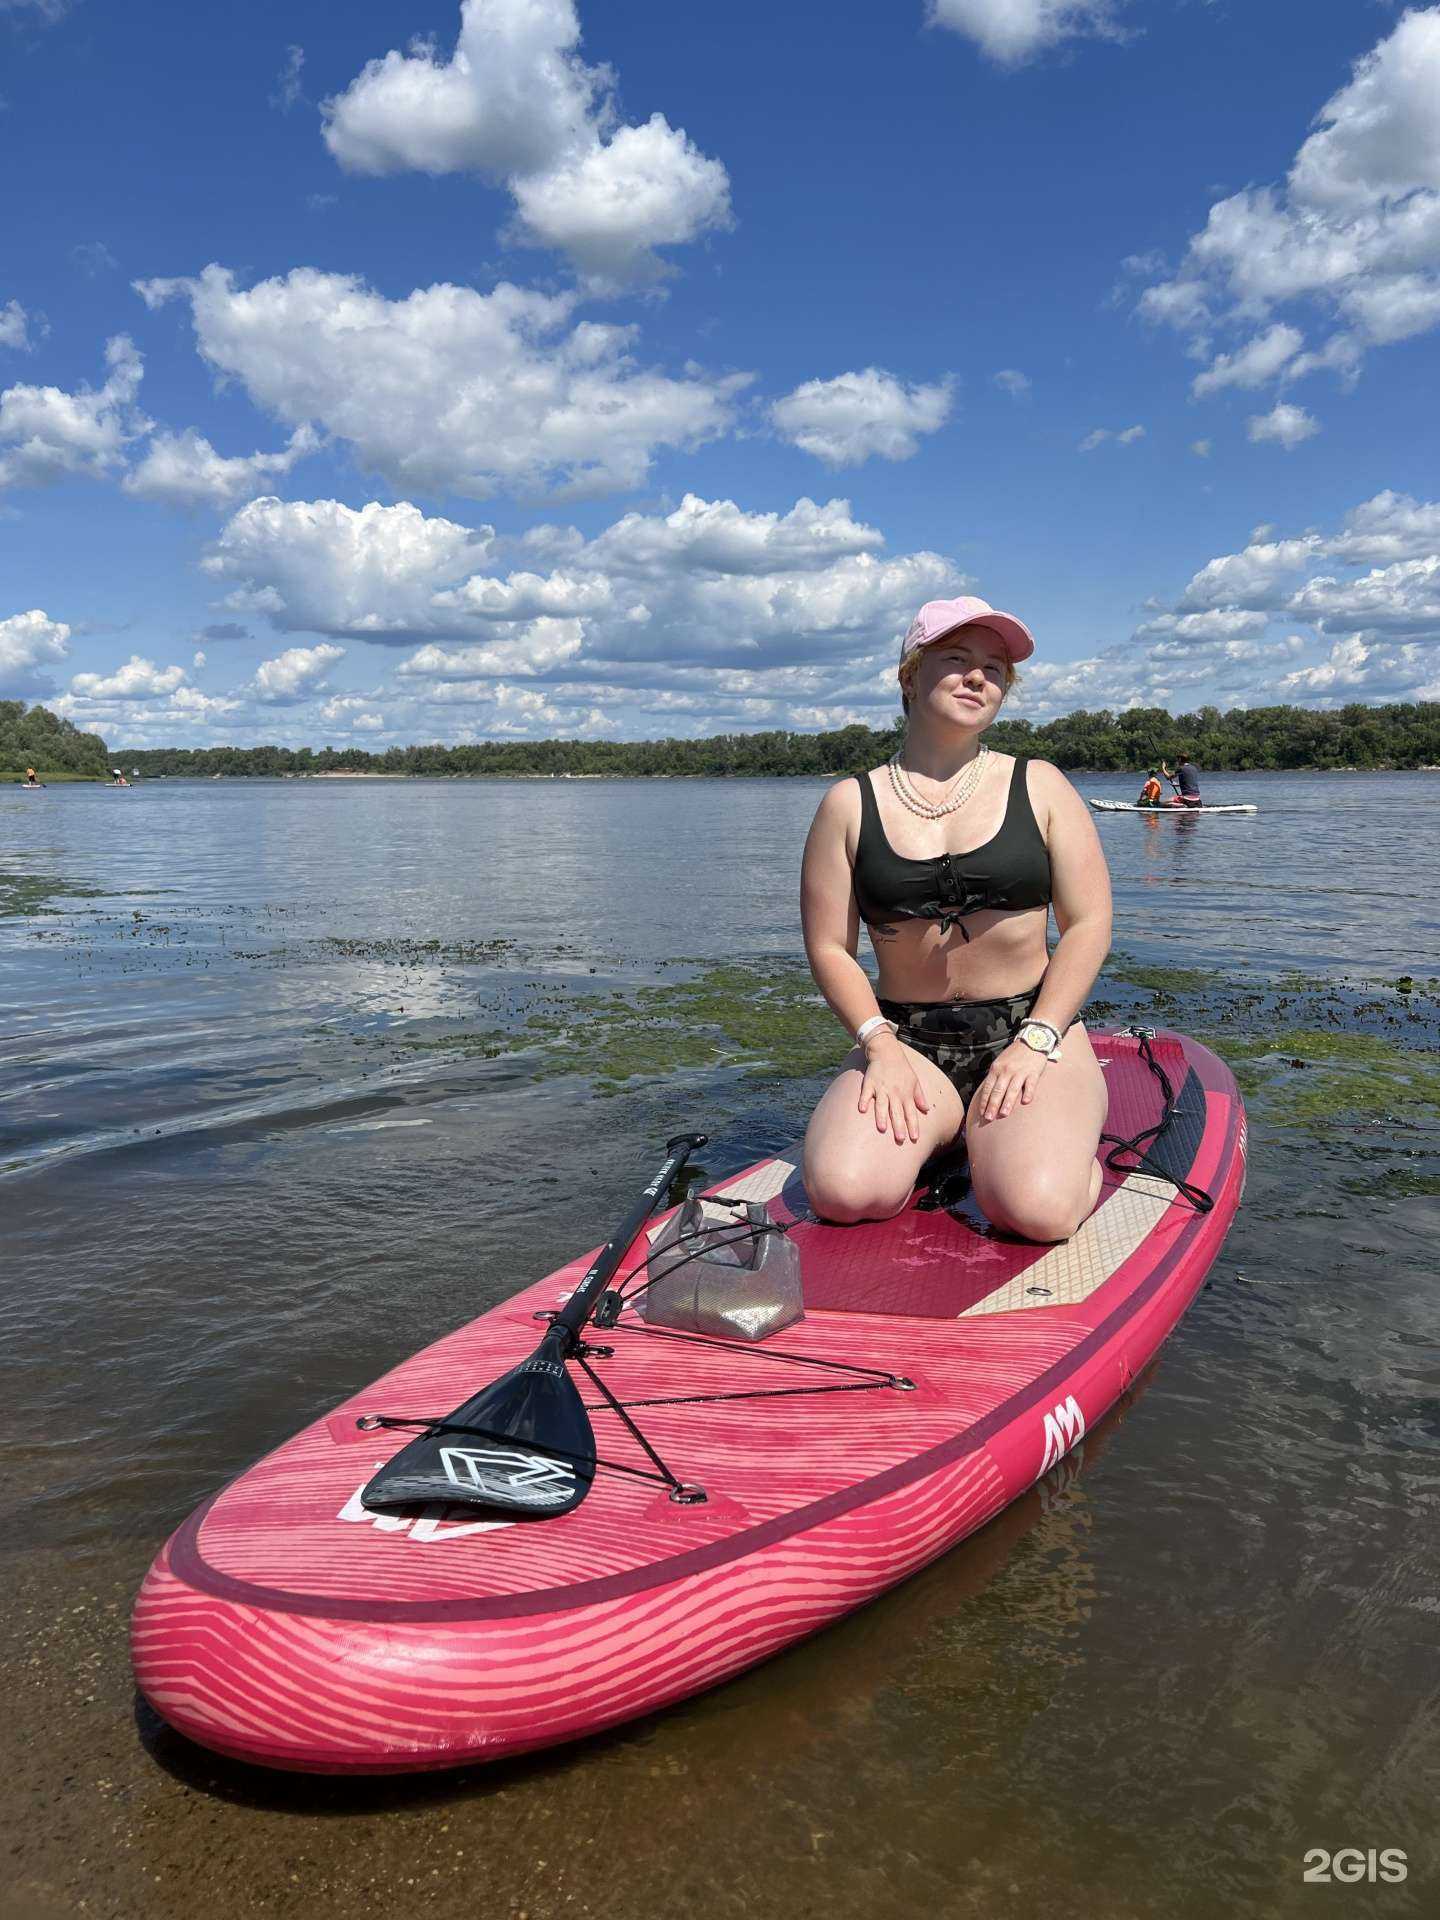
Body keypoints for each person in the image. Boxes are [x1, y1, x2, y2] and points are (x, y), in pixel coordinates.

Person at [800, 595, 1112, 1244]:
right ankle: (953, 1135)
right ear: (909, 675)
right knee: (843, 1191)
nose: (979, 677)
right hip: (908, 1042)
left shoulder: (1043, 786)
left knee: (1037, 1211)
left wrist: (1040, 1037)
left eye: (995, 669)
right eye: (957, 659)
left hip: (1027, 1030)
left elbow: (1087, 923)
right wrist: (877, 1046)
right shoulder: (848, 805)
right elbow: (830, 946)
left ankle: (1048, 1149)